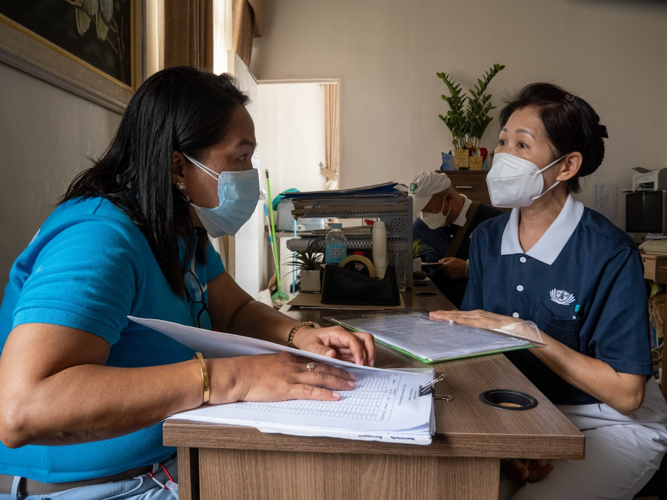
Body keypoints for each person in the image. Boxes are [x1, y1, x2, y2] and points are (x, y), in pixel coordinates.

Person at [0, 67, 375, 499]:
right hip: (91, 487)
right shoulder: (99, 238)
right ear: (179, 165)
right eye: (240, 157)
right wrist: (232, 377)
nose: (250, 173)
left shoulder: (180, 228)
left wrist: (301, 334)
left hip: (168, 462)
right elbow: (23, 407)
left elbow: (232, 310)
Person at [431, 83, 667, 499]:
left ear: (566, 166)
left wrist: (529, 335)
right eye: (503, 141)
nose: (504, 156)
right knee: (463, 489)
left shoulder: (609, 252)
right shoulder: (487, 239)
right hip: (525, 411)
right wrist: (512, 441)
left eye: (522, 144)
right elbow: (477, 350)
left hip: (609, 423)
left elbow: (627, 394)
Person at [409, 170, 501, 307]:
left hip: (478, 311)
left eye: (427, 209)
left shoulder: (492, 222)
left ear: (449, 199)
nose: (424, 216)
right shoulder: (420, 227)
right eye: (420, 211)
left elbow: (509, 270)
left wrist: (468, 268)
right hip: (436, 309)